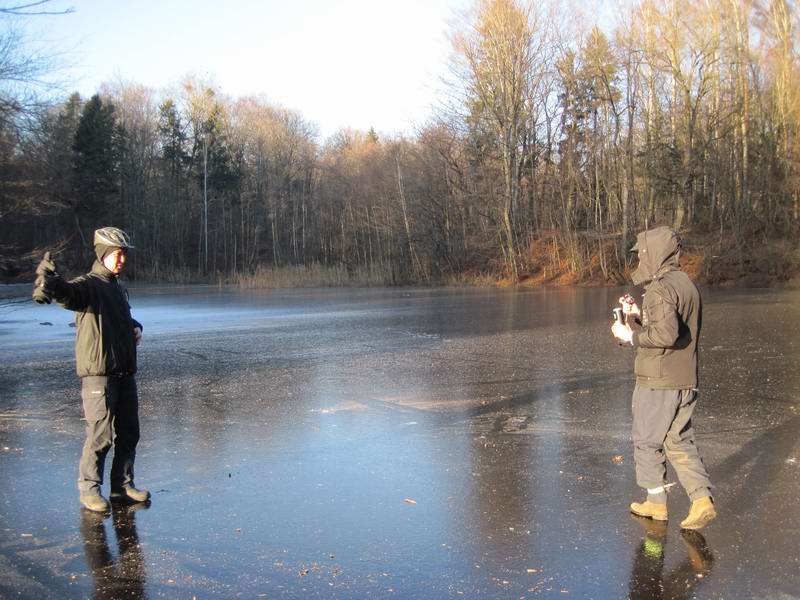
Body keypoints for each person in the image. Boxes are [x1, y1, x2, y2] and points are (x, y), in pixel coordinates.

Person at [33, 227, 150, 512]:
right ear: (103, 254)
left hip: (124, 373)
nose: (121, 259)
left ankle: (121, 486)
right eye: (116, 254)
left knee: (129, 432)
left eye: (124, 255)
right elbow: (68, 294)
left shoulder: (117, 288)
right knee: (100, 436)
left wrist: (135, 327)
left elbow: (122, 319)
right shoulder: (89, 285)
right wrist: (51, 282)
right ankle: (89, 489)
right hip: (99, 375)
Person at [611, 225, 716, 530]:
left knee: (646, 440)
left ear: (652, 253)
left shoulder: (659, 288)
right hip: (685, 379)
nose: (638, 259)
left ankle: (656, 504)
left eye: (640, 254)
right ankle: (701, 500)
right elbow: (673, 327)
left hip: (659, 380)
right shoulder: (684, 284)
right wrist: (638, 316)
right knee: (679, 440)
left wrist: (629, 335)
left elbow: (666, 334)